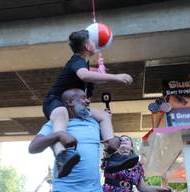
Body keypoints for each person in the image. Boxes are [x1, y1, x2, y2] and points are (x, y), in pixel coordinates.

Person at [42, 29, 137, 177]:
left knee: (104, 116)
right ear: (87, 46)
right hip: (55, 101)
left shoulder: (83, 63)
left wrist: (100, 74)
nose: (96, 43)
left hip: (73, 105)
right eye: (93, 41)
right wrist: (116, 77)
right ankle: (62, 156)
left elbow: (89, 75)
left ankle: (113, 156)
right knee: (61, 113)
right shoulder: (77, 60)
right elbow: (84, 75)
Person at [29, 89, 104, 192]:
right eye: (83, 98)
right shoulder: (55, 124)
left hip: (95, 189)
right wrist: (58, 135)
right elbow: (33, 147)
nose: (88, 101)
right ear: (70, 102)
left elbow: (109, 144)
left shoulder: (94, 123)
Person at [102, 135, 173, 192]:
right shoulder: (110, 156)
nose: (123, 140)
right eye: (121, 140)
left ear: (132, 147)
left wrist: (160, 189)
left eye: (126, 139)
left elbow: (142, 188)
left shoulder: (137, 165)